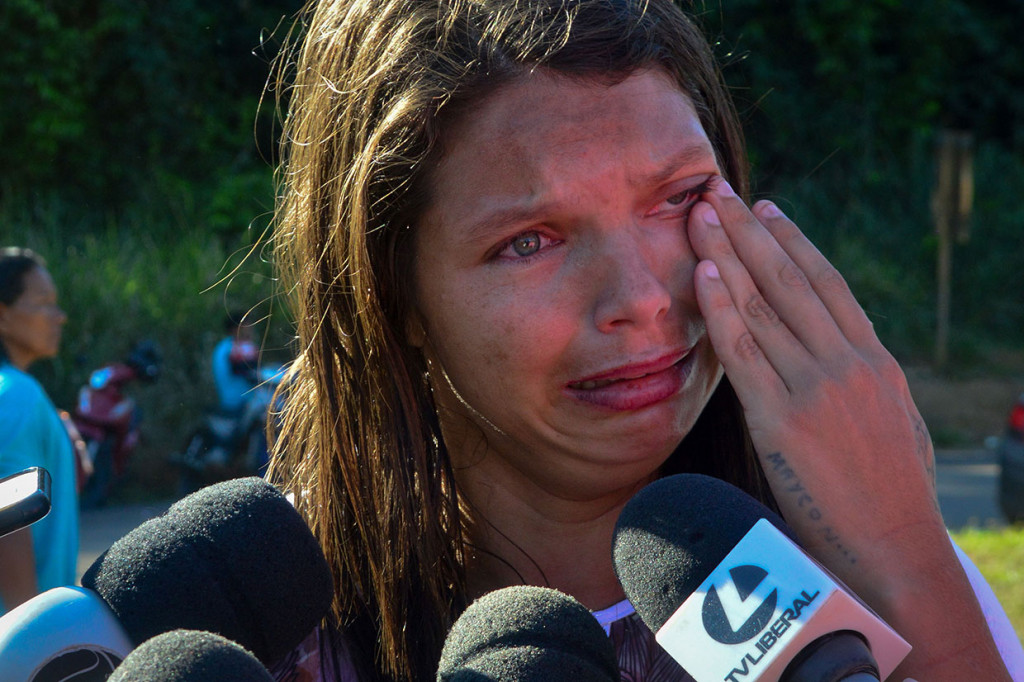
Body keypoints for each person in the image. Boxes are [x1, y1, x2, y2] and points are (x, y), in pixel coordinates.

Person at [264, 0, 1021, 680]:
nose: (643, 299)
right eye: (529, 242)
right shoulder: (266, 624)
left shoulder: (883, 578)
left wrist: (910, 559)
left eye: (680, 197)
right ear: (389, 292)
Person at [0, 247, 78, 616]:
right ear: (2, 314)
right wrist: (35, 637)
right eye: (44, 303)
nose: (60, 316)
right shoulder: (18, 395)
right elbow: (9, 519)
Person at [212, 309, 259, 414]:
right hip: (238, 402)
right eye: (247, 326)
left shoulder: (226, 346)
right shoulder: (231, 348)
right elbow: (247, 371)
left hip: (239, 400)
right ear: (236, 328)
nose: (250, 328)